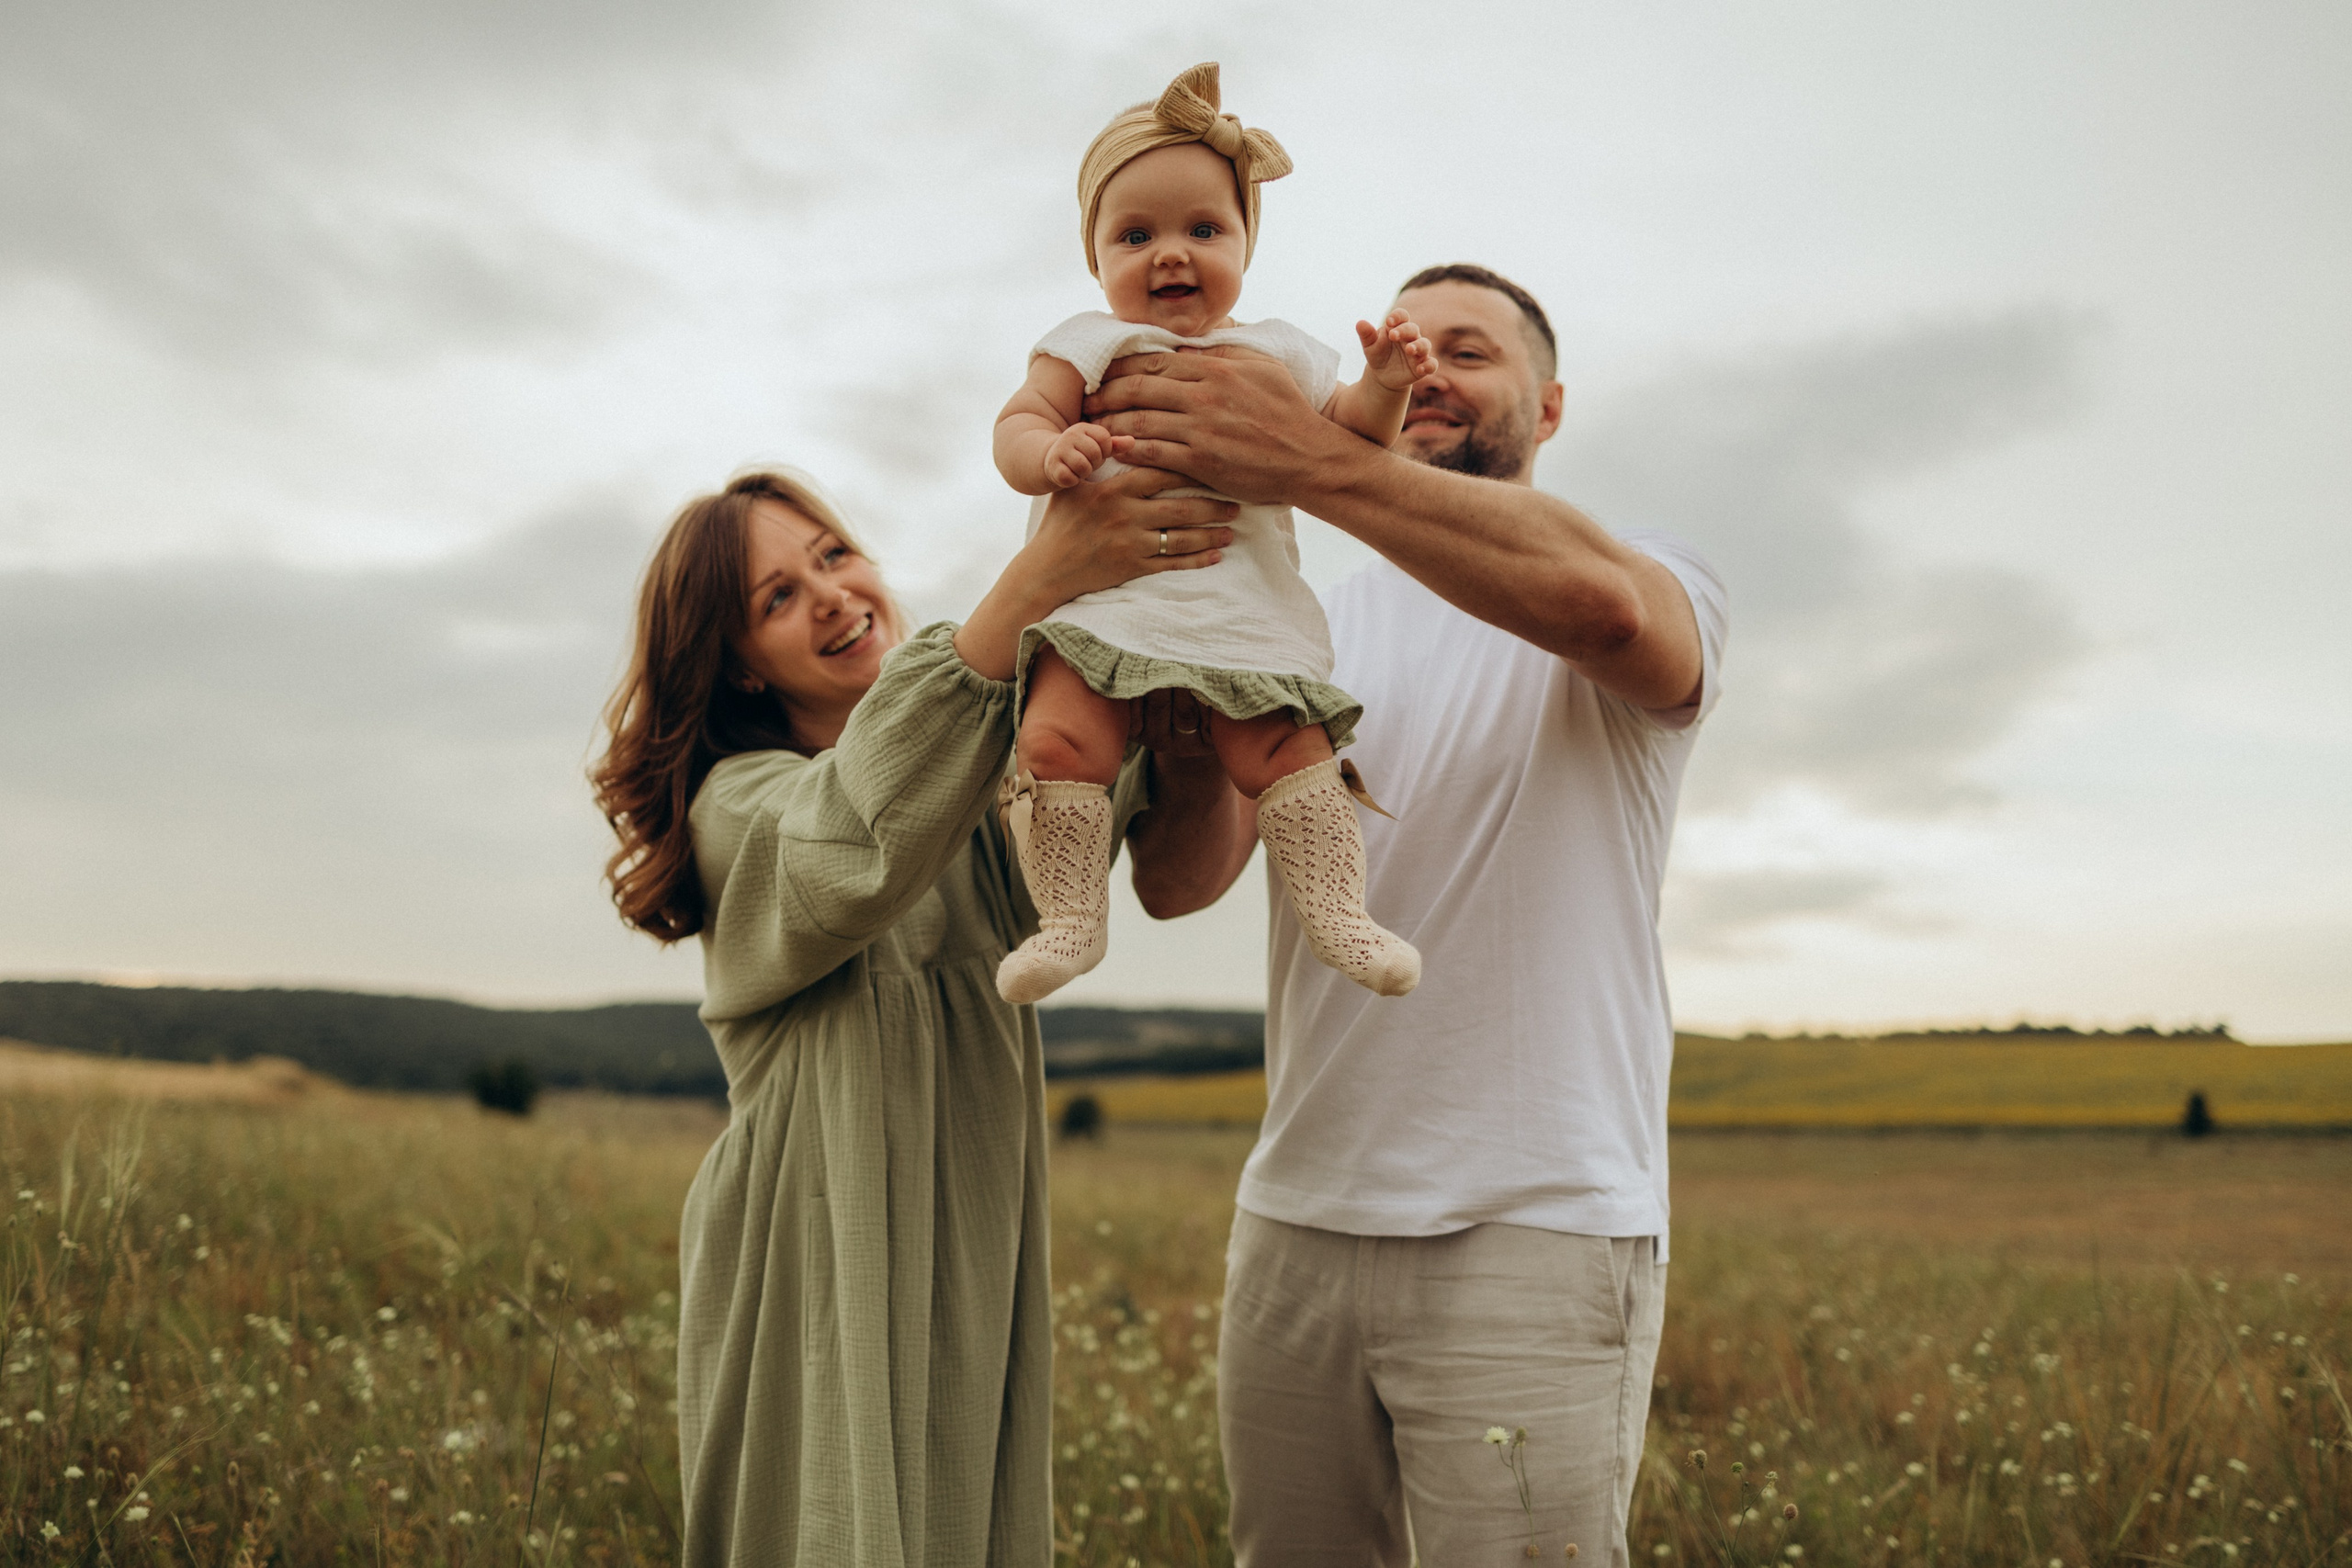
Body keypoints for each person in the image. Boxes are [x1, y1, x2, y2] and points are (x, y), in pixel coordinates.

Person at [1089, 265, 1730, 1566]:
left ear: (1549, 407)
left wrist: (1314, 466)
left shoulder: (1647, 571)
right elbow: (1178, 879)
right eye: (1406, 339)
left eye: (1472, 350)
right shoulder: (1294, 626)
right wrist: (1197, 749)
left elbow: (1610, 612)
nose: (1427, 363)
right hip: (1297, 1216)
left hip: (1536, 1218)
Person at [589, 465, 1236, 1566]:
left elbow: (1141, 848)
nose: (832, 596)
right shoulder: (738, 809)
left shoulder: (988, 759)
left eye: (833, 556)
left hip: (969, 1232)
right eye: (777, 598)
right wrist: (1035, 579)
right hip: (815, 1245)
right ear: (737, 668)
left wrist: (1182, 693)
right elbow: (860, 841)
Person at [989, 61, 1434, 1007]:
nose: (1170, 254)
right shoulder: (1086, 342)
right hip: (1103, 609)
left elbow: (1353, 437)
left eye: (1204, 229)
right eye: (1135, 234)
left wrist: (1387, 382)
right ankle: (1067, 922)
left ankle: (1341, 914)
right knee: (1058, 743)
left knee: (1284, 752)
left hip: (1239, 615)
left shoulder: (1279, 353)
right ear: (1095, 258)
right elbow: (1016, 421)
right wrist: (1048, 451)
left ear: (1244, 243)